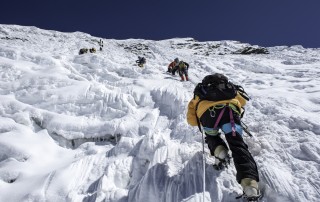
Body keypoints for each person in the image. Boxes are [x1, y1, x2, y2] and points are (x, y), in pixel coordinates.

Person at [187, 73, 260, 200]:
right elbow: (243, 101)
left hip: (208, 116)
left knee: (212, 136)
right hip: (230, 113)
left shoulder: (200, 92)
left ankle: (220, 152)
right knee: (237, 145)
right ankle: (250, 186)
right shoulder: (229, 88)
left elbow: (192, 121)